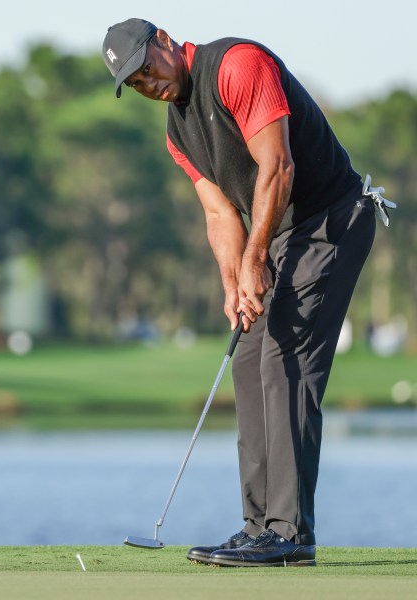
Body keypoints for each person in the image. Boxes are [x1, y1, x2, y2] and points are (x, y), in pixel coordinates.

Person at [102, 19, 391, 567]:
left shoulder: (236, 65)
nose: (148, 83)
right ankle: (257, 526)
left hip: (329, 218)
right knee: (248, 361)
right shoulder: (177, 131)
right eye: (135, 82)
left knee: (286, 364)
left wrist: (257, 259)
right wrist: (234, 283)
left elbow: (278, 167)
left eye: (147, 68)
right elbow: (218, 214)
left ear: (165, 40)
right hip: (278, 233)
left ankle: (289, 534)